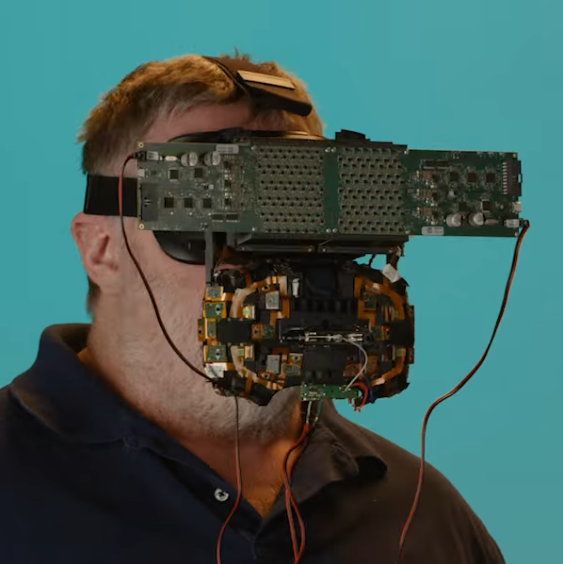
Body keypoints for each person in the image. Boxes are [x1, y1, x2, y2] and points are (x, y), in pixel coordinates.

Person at [0, 52, 506, 563]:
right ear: (102, 250)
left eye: (299, 220)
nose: (272, 269)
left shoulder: (423, 517)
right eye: (211, 213)